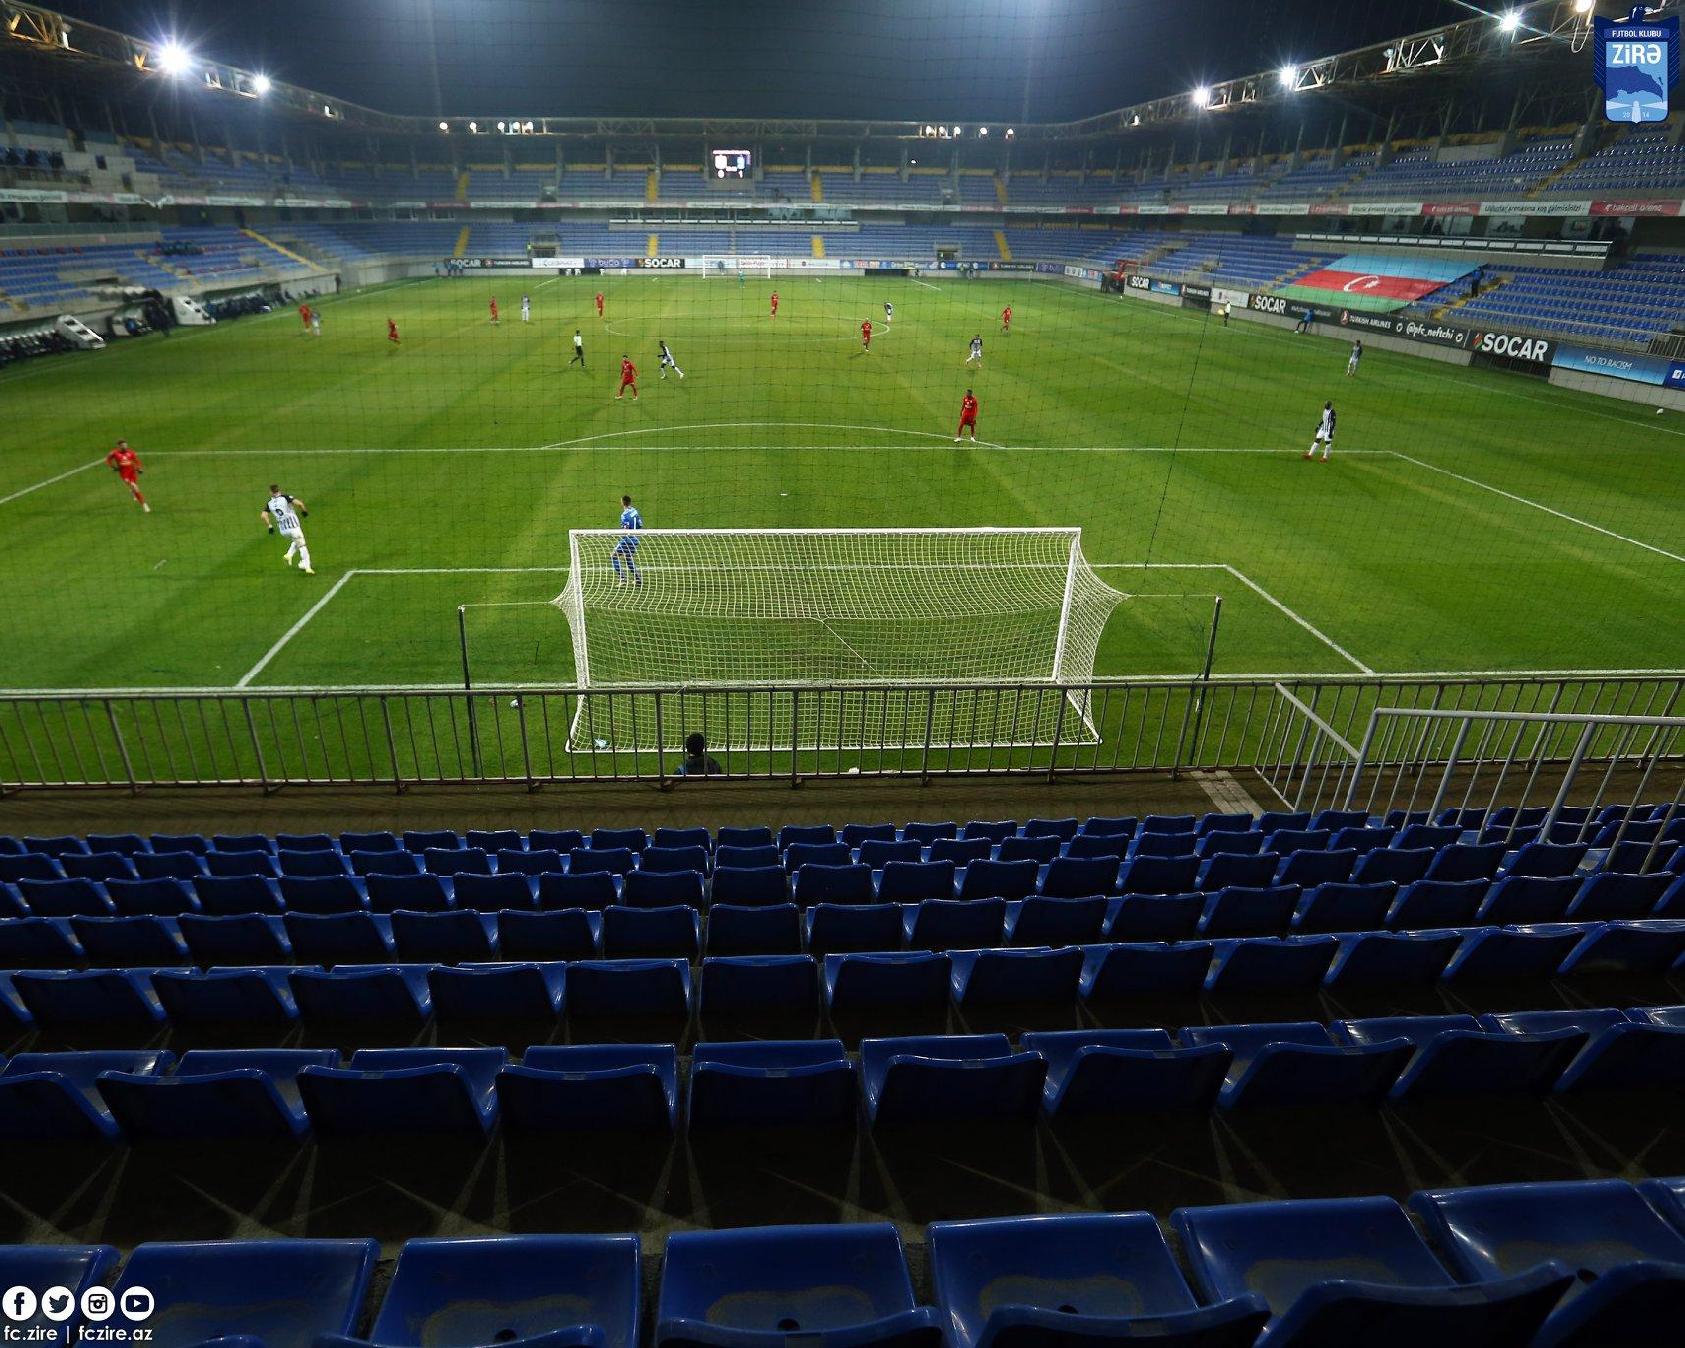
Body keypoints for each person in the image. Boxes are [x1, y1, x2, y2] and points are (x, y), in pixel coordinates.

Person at [262, 483, 314, 574]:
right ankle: (307, 567)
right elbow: (300, 504)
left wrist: (270, 526)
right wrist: (304, 511)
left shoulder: (269, 503)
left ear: (270, 492)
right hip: (293, 527)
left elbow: (263, 515)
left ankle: (289, 555)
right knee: (302, 546)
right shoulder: (285, 497)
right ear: (279, 490)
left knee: (297, 540)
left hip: (283, 530)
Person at [105, 439, 149, 513]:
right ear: (119, 446)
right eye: (123, 445)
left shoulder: (131, 452)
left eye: (126, 445)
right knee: (135, 487)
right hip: (124, 474)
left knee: (134, 486)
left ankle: (132, 491)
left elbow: (137, 461)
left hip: (132, 472)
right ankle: (144, 504)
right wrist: (113, 467)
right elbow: (107, 460)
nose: (125, 446)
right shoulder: (114, 453)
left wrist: (139, 468)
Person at [611, 493, 642, 585]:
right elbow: (640, 524)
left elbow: (626, 529)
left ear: (622, 502)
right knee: (628, 558)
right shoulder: (635, 511)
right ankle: (637, 579)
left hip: (628, 539)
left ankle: (622, 579)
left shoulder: (624, 515)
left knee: (613, 556)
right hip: (636, 539)